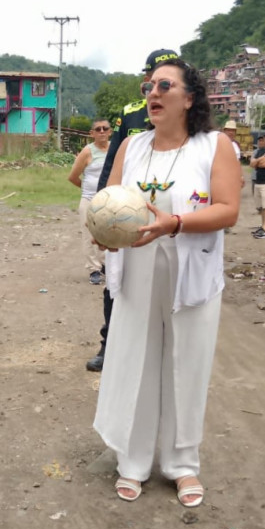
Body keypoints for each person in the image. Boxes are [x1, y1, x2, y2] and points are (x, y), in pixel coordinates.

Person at [94, 58, 241, 508]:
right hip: (137, 269)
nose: (153, 94)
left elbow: (228, 210)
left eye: (164, 85)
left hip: (191, 270)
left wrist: (174, 223)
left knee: (187, 363)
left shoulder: (214, 146)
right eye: (148, 87)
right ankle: (133, 461)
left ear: (189, 98)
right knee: (134, 359)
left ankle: (182, 463)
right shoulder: (131, 146)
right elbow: (108, 202)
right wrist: (103, 230)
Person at [86, 48, 179, 372]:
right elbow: (113, 161)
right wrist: (101, 211)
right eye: (152, 78)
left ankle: (160, 353)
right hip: (127, 214)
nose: (157, 88)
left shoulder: (187, 116)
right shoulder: (132, 114)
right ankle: (108, 345)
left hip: (170, 211)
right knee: (116, 282)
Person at [68, 117, 110, 284]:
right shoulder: (87, 151)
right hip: (89, 199)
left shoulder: (114, 149)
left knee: (109, 232)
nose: (102, 132)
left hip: (109, 200)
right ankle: (94, 269)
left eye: (105, 128)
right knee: (89, 235)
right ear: (92, 133)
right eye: (98, 129)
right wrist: (88, 189)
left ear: (110, 131)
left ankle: (106, 264)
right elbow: (73, 177)